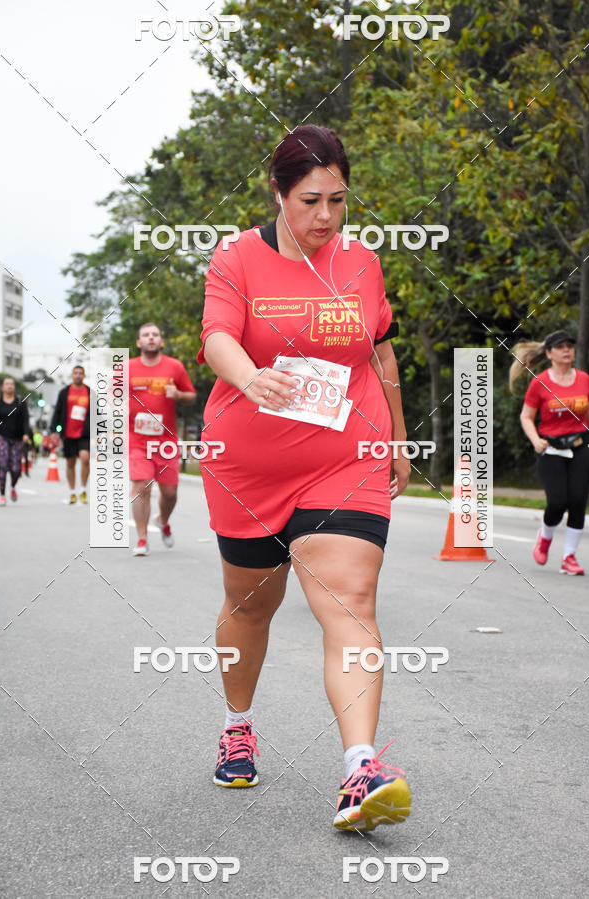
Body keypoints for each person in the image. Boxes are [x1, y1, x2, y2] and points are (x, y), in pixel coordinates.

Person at [198, 125, 411, 831]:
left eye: (338, 200)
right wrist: (249, 376)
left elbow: (380, 354)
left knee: (351, 600)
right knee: (249, 607)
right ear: (278, 192)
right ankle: (238, 724)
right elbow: (217, 336)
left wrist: (398, 437)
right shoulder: (237, 256)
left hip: (344, 459)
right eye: (310, 200)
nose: (325, 216)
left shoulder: (362, 263)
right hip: (250, 466)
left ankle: (360, 769)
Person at [512, 329, 589, 575]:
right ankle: (545, 536)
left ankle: (569, 557)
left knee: (578, 501)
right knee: (557, 502)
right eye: (560, 347)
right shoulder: (540, 382)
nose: (567, 350)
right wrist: (535, 440)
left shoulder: (585, 379)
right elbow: (526, 416)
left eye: (570, 346)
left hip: (581, 446)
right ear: (549, 353)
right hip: (551, 448)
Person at [129, 323, 196, 556]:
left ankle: (163, 520)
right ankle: (142, 538)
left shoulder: (174, 366)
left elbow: (191, 395)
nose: (150, 338)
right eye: (146, 335)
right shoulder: (127, 368)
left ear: (161, 341)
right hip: (137, 440)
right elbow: (110, 395)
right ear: (138, 342)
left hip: (165, 441)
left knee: (169, 493)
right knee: (141, 486)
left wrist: (178, 395)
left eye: (155, 334)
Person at [50, 365, 91, 504]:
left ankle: (83, 489)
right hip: (68, 433)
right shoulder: (64, 392)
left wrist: (99, 432)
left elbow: (97, 413)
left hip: (84, 433)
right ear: (72, 375)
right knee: (70, 463)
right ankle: (73, 492)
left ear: (84, 375)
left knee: (85, 458)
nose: (78, 375)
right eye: (76, 373)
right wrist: (53, 430)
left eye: (81, 373)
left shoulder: (90, 392)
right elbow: (57, 412)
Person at [0, 377, 31, 506]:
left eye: (12, 384)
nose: (9, 386)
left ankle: (12, 486)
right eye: (7, 384)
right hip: (0, 437)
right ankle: (2, 495)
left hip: (17, 438)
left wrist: (26, 433)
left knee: (16, 469)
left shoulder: (20, 401)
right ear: (2, 387)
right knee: (2, 465)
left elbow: (26, 419)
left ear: (14, 387)